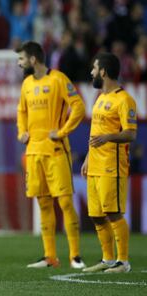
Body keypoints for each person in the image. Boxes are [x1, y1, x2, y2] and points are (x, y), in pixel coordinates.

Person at [16, 41, 86, 269]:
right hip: (34, 152)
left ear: (33, 59)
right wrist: (22, 132)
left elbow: (78, 106)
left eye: (21, 59)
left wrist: (64, 131)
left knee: (65, 201)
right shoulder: (26, 84)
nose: (19, 63)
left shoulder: (58, 79)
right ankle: (50, 257)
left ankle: (75, 256)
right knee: (43, 203)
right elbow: (21, 111)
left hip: (56, 151)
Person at [81, 53, 137, 273]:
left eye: (94, 68)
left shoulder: (124, 100)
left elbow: (131, 134)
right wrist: (87, 157)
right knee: (95, 214)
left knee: (113, 213)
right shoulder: (100, 98)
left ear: (103, 72)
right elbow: (97, 133)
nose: (92, 72)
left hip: (112, 165)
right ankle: (107, 259)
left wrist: (108, 138)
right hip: (95, 164)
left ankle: (123, 262)